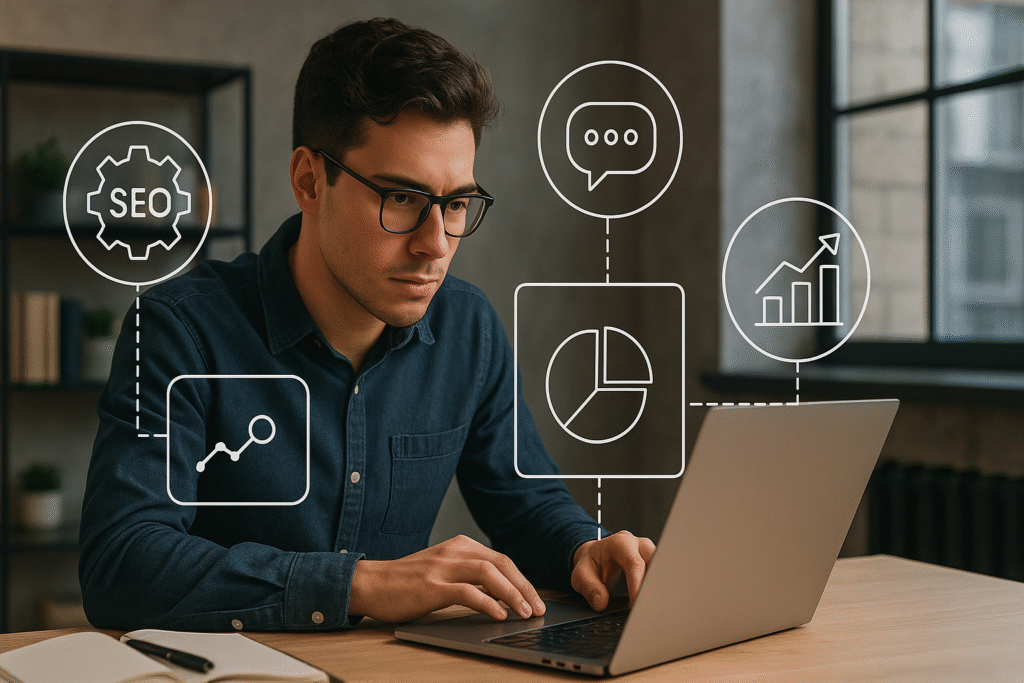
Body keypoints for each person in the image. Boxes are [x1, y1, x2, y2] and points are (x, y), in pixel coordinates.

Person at [79, 17, 654, 631]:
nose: (435, 245)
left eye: (456, 203)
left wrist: (581, 550)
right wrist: (360, 583)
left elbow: (525, 501)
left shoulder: (468, 327)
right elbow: (122, 563)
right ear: (309, 180)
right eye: (401, 198)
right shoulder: (178, 332)